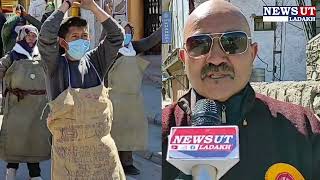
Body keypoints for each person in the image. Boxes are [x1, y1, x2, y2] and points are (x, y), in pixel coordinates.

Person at [162, 0, 320, 180]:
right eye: (199, 44)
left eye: (232, 42)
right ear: (183, 59)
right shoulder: (164, 130)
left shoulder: (305, 129)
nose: (215, 59)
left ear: (252, 53)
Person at [38, 0, 125, 179]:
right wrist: (66, 5)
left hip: (103, 158)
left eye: (84, 36)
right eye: (75, 37)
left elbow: (116, 36)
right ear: (63, 43)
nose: (82, 40)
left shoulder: (96, 61)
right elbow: (45, 37)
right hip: (69, 161)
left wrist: (92, 7)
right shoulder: (55, 66)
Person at [100, 3, 162, 175]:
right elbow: (101, 40)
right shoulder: (110, 49)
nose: (126, 35)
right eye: (123, 32)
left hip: (132, 100)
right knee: (112, 131)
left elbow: (151, 40)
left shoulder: (134, 48)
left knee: (129, 131)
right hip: (112, 97)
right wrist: (108, 18)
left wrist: (167, 24)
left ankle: (127, 163)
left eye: (129, 32)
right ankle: (111, 162)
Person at [0, 25, 51, 180]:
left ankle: (35, 173)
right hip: (16, 104)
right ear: (22, 36)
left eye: (34, 36)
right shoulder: (13, 55)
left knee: (33, 138)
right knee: (15, 138)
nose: (31, 39)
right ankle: (11, 170)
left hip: (37, 106)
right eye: (29, 36)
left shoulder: (40, 55)